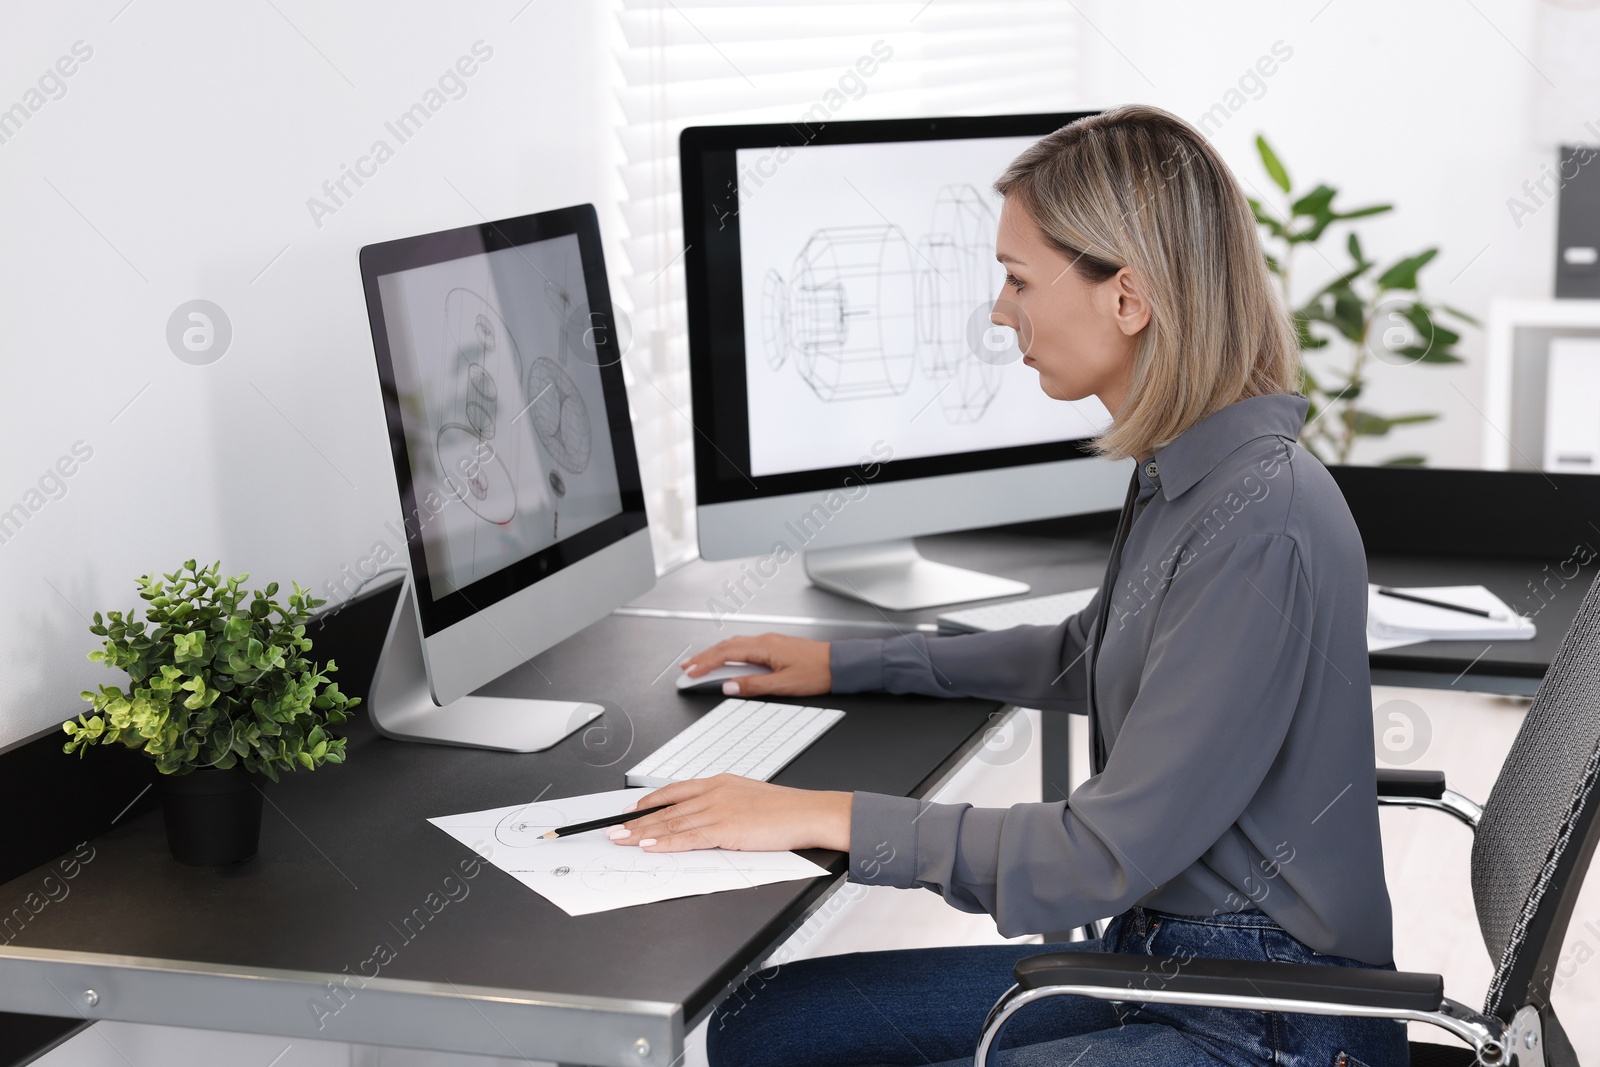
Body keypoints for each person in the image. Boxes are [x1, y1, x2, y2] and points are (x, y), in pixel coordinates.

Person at [605, 105, 1407, 1067]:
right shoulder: (1193, 470)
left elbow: (1096, 856)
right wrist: (848, 662)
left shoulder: (1258, 518)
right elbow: (1091, 650)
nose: (998, 310)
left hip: (1265, 1015)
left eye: (1019, 280)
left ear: (1129, 298)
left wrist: (823, 814)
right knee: (762, 1025)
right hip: (1166, 961)